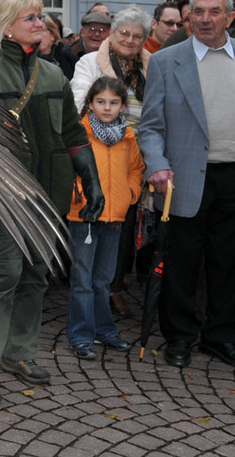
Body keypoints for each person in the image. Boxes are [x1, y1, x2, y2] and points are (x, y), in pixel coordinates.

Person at [0, 0, 103, 405]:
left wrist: (91, 182)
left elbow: (74, 135)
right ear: (8, 27)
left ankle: (18, 354)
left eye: (42, 17)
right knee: (4, 274)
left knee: (35, 277)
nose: (41, 23)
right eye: (32, 17)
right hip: (4, 197)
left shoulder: (54, 75)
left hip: (49, 196)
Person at [137, 0, 235, 370]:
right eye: (197, 12)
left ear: (229, 17)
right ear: (188, 18)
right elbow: (149, 126)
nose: (205, 19)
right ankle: (179, 338)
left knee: (233, 264)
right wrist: (158, 165)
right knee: (182, 263)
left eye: (214, 12)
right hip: (182, 178)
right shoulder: (167, 61)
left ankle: (222, 338)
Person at [66, 77, 143, 359]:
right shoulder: (78, 133)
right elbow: (69, 170)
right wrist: (78, 194)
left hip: (115, 217)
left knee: (104, 280)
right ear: (90, 103)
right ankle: (81, 335)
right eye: (101, 102)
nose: (107, 108)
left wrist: (130, 194)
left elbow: (136, 169)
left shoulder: (128, 137)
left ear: (122, 106)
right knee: (83, 279)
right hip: (83, 217)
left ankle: (105, 331)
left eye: (113, 103)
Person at [71, 5, 151, 128]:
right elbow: (79, 102)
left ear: (144, 40)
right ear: (112, 33)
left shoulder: (152, 67)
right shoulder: (89, 62)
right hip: (98, 139)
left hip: (141, 141)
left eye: (137, 36)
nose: (130, 40)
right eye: (124, 33)